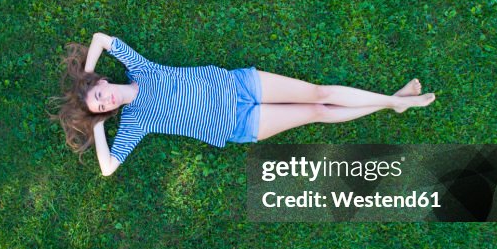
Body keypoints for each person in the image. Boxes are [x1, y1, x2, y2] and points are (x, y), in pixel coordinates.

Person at [48, 33, 435, 176]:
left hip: (240, 84)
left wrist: (86, 78)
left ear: (102, 82)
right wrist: (97, 127)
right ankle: (394, 104)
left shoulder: (140, 69)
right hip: (237, 125)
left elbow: (100, 38)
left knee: (319, 93)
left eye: (100, 93)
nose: (106, 100)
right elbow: (108, 168)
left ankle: (393, 101)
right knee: (318, 113)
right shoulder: (133, 122)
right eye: (101, 106)